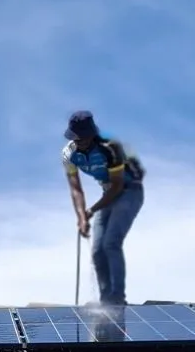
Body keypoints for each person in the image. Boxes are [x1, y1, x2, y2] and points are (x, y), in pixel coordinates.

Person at [61, 110, 145, 309]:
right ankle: (105, 301)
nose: (79, 141)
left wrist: (92, 210)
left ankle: (116, 299)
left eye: (83, 137)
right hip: (107, 193)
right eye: (75, 137)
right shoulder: (69, 154)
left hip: (129, 191)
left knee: (111, 243)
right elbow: (75, 188)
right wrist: (82, 217)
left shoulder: (110, 147)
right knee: (97, 250)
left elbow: (116, 186)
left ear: (92, 134)